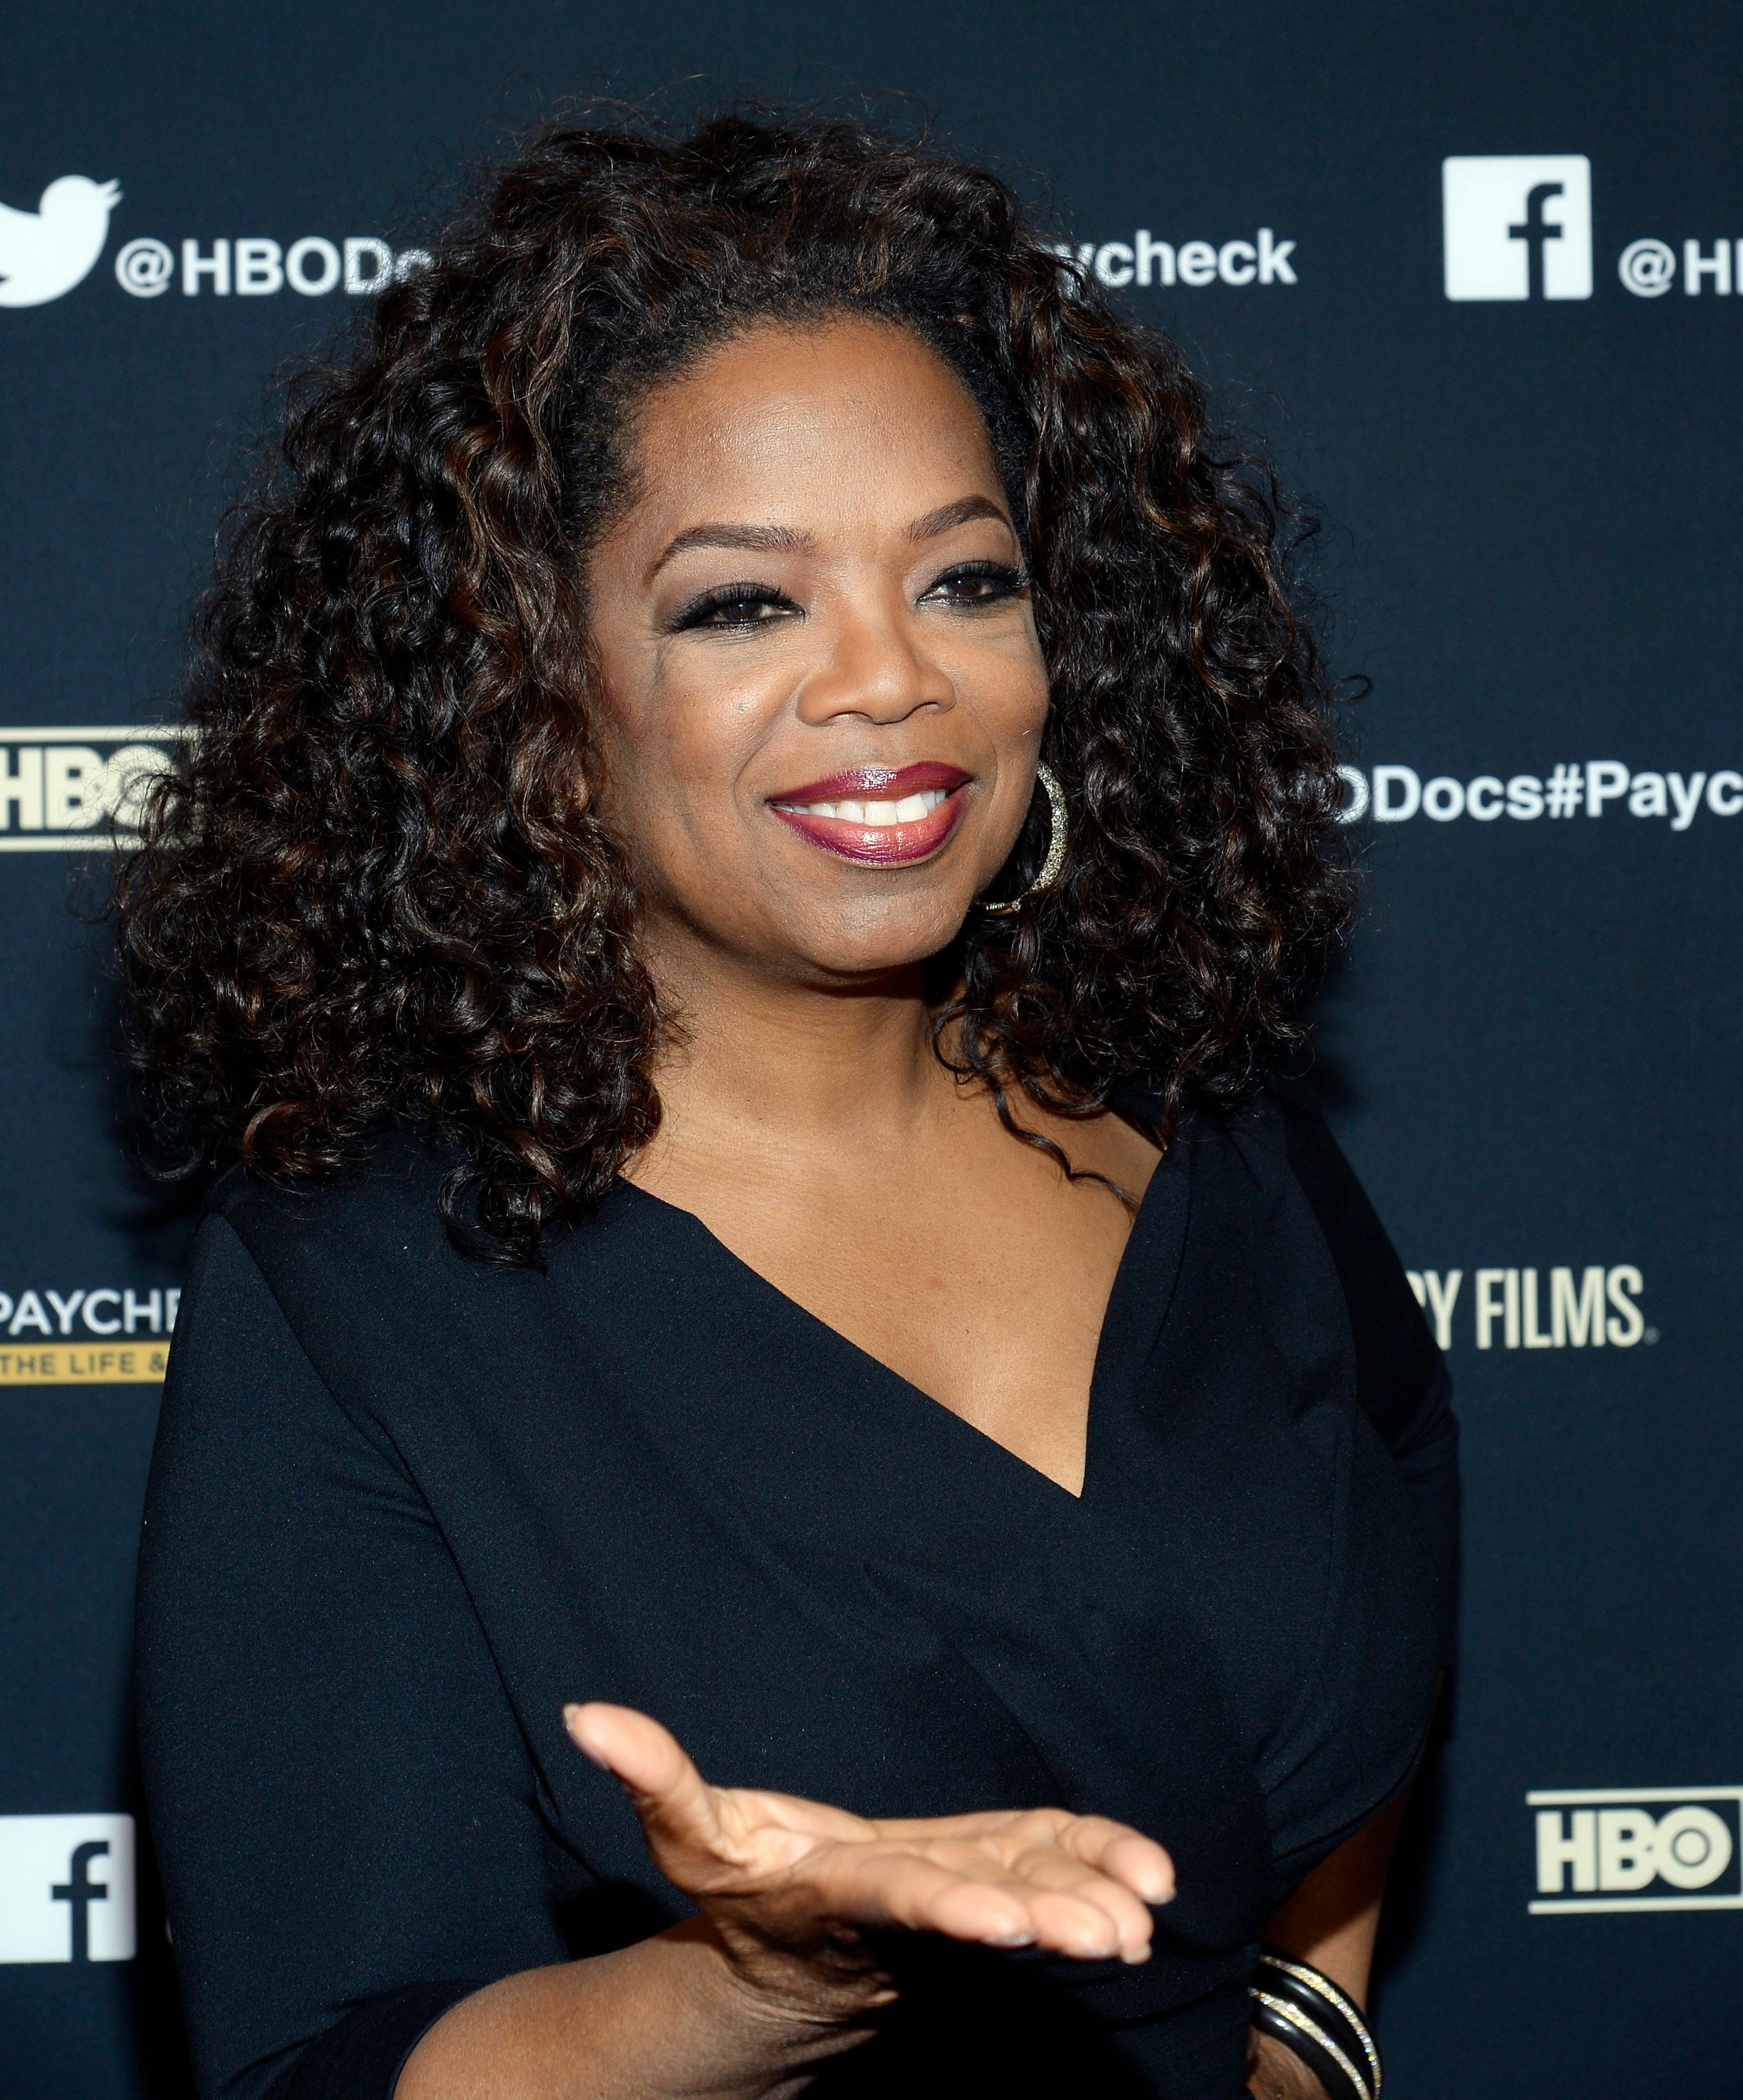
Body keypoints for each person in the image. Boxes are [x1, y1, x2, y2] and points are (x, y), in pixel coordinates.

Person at [122, 113, 1455, 2100]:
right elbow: (326, 2058)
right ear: (529, 689)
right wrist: (760, 1984)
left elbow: (1379, 1581)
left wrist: (1298, 2040)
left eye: (968, 581)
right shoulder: (371, 1292)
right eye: (743, 606)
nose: (890, 685)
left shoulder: (1213, 1131)